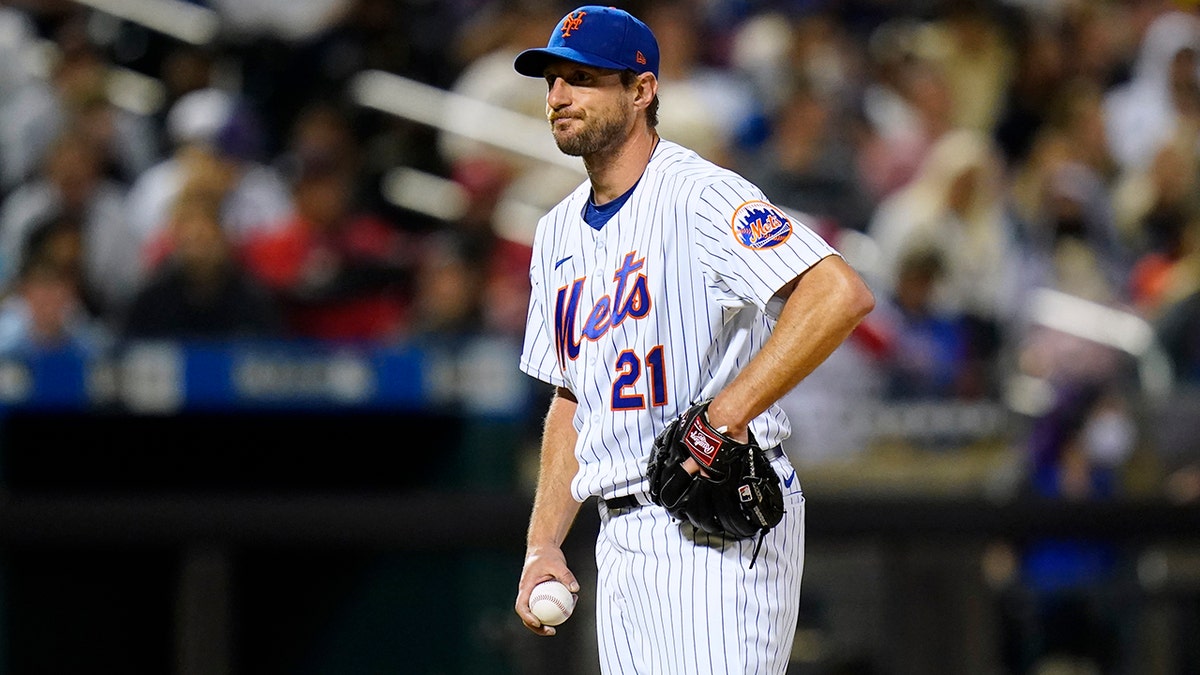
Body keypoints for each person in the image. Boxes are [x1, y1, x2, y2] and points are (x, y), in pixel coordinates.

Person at [509, 7, 875, 673]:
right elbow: (571, 397)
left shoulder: (700, 194)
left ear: (641, 90)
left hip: (713, 522)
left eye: (582, 78)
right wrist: (543, 543)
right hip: (617, 536)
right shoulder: (554, 233)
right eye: (553, 79)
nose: (559, 95)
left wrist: (724, 415)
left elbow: (837, 293)